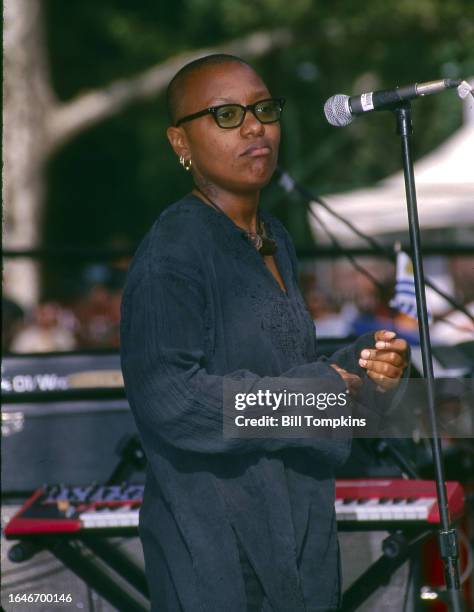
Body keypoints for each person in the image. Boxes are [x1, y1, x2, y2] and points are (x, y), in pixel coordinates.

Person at [120, 54, 409, 612]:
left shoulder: (273, 235)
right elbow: (172, 400)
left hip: (298, 528)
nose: (254, 126)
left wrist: (365, 363)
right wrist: (317, 394)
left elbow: (282, 364)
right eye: (226, 114)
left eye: (263, 109)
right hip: (220, 546)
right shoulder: (174, 249)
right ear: (181, 143)